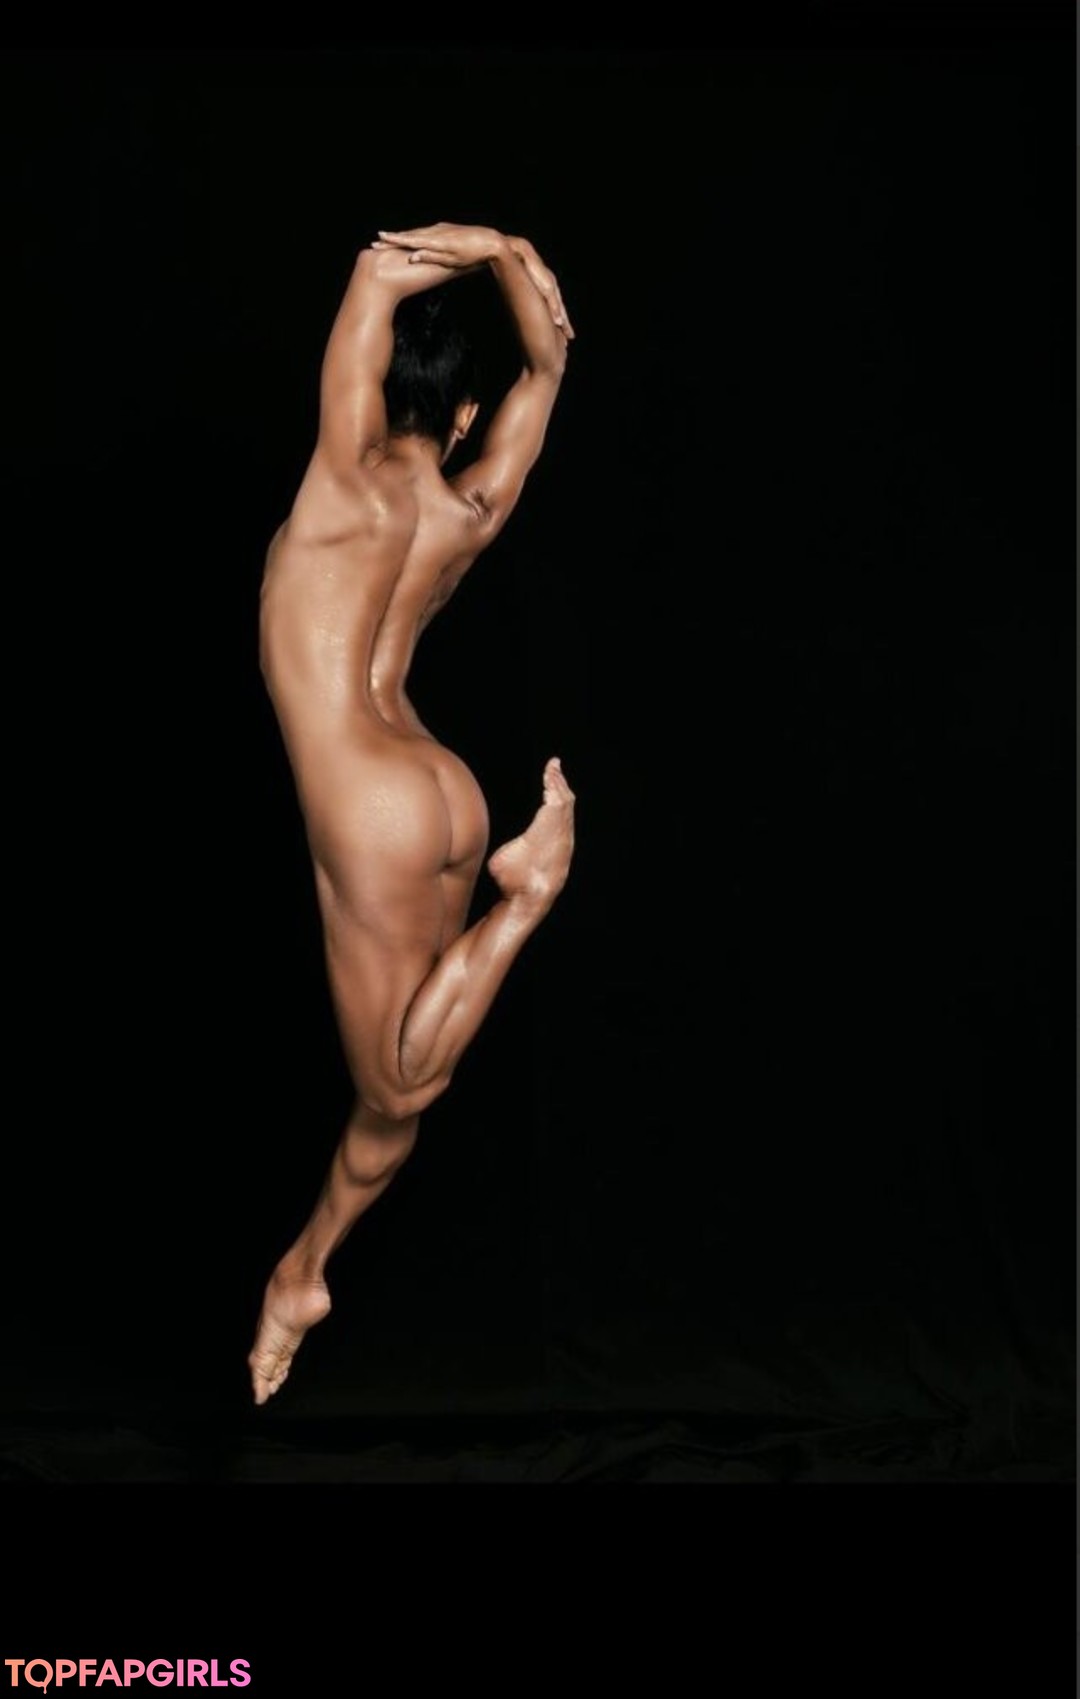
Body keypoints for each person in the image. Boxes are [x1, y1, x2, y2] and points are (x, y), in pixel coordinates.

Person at [248, 222, 576, 1405]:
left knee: (396, 1084)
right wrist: (521, 261)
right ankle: (304, 1274)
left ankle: (525, 900)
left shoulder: (342, 481)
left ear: (375, 390)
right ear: (465, 412)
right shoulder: (467, 509)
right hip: (443, 784)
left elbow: (375, 273)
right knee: (395, 1106)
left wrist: (484, 244)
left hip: (370, 798)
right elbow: (549, 365)